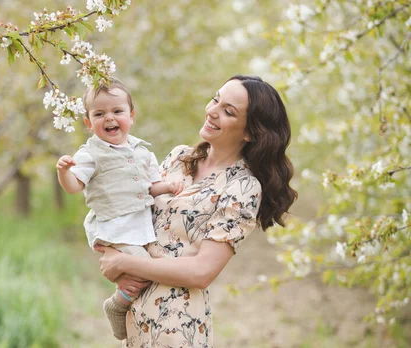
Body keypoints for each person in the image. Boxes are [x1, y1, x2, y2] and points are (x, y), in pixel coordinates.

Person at [95, 75, 298, 347]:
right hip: (136, 315)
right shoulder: (180, 158)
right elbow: (131, 207)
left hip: (177, 324)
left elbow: (201, 272)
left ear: (250, 132)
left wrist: (125, 263)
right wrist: (112, 253)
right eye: (215, 99)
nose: (212, 110)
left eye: (228, 111)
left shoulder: (242, 187)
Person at [56, 77, 184, 340]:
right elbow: (73, 186)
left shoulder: (142, 152)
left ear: (131, 116)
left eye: (117, 111)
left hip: (141, 225)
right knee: (148, 269)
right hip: (115, 227)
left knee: (163, 266)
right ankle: (118, 304)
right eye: (99, 114)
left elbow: (152, 186)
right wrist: (64, 173)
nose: (109, 118)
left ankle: (153, 316)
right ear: (89, 123)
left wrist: (169, 186)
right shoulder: (90, 154)